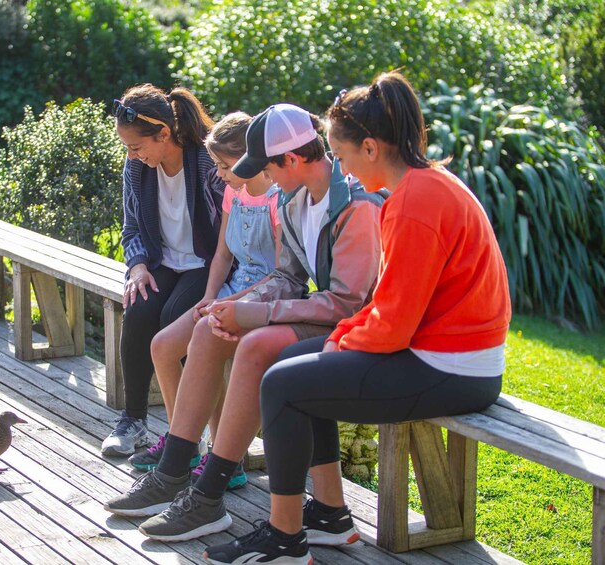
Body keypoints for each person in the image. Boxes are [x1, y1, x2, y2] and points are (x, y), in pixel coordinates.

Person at [202, 72, 513, 564]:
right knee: (298, 363)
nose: (341, 166)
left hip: (453, 369)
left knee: (284, 384)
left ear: (370, 147)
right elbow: (389, 306)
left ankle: (284, 542)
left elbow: (392, 326)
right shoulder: (423, 187)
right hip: (445, 357)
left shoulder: (414, 202)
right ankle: (329, 517)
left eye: (342, 155)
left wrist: (339, 342)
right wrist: (340, 339)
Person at [104, 103, 384, 544]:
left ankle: (209, 491)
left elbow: (346, 304)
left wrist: (255, 312)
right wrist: (232, 306)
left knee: (255, 348)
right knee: (207, 329)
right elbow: (287, 278)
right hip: (321, 315)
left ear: (290, 159)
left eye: (267, 169)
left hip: (360, 326)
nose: (265, 180)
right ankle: (175, 471)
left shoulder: (355, 206)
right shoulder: (294, 200)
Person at [129, 112, 282, 485]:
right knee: (164, 345)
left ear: (253, 160)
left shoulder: (279, 200)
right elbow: (223, 256)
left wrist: (230, 306)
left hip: (265, 300)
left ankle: (224, 459)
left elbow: (281, 275)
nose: (219, 174)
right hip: (229, 291)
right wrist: (210, 297)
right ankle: (185, 443)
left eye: (225, 166)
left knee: (206, 341)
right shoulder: (234, 192)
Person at [100, 84, 226, 457]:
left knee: (174, 318)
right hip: (160, 261)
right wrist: (137, 266)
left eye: (136, 147)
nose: (130, 155)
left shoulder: (206, 163)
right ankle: (134, 421)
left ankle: (189, 432)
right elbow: (131, 228)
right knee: (139, 309)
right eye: (127, 148)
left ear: (165, 134)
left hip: (207, 262)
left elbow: (228, 233)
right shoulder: (136, 168)